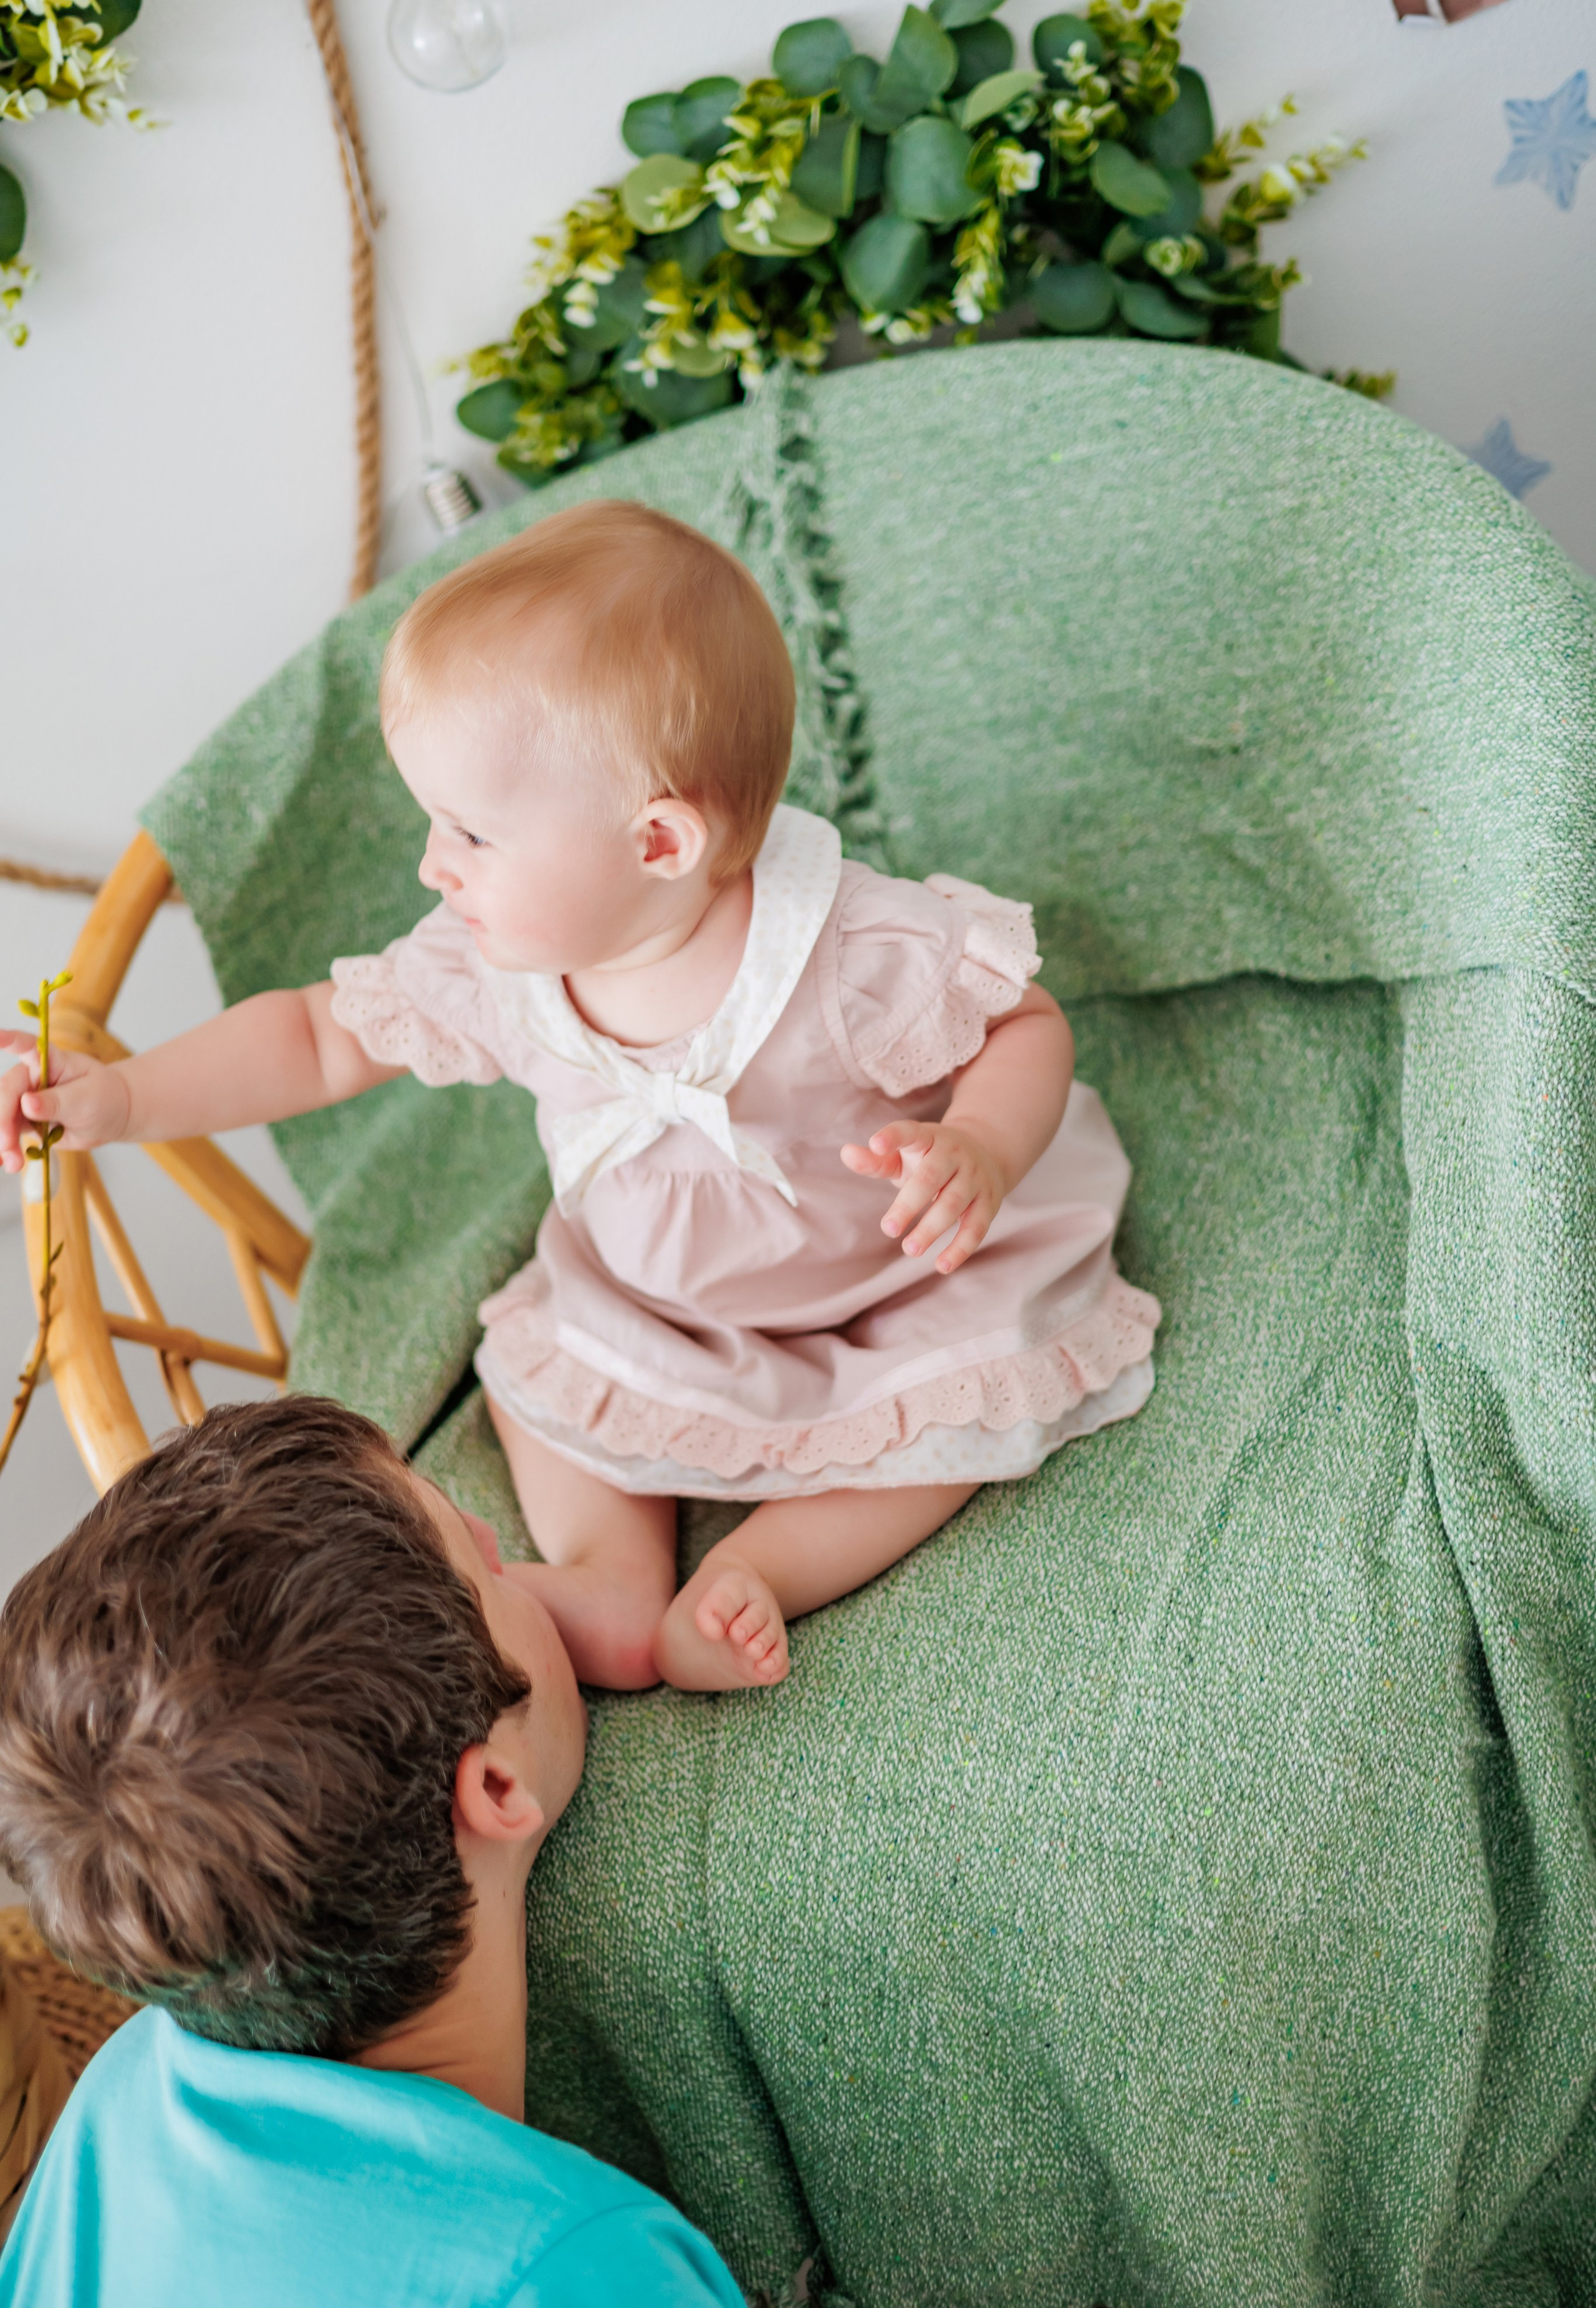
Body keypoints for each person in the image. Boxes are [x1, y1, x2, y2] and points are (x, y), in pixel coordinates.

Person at [0, 502, 1160, 1694]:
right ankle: (613, 1580)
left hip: (890, 1274)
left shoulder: (848, 949)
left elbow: (1023, 1021)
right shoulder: (496, 963)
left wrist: (979, 1142)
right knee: (549, 1379)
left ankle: (763, 1572)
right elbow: (312, 1036)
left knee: (953, 1410)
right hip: (648, 1299)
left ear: (658, 844)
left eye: (470, 832)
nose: (431, 867)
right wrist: (125, 1096)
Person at [0, 1397, 744, 2307]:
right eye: (483, 1566)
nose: (488, 1527)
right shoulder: (577, 2268)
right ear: (497, 1788)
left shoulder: (111, 2110)